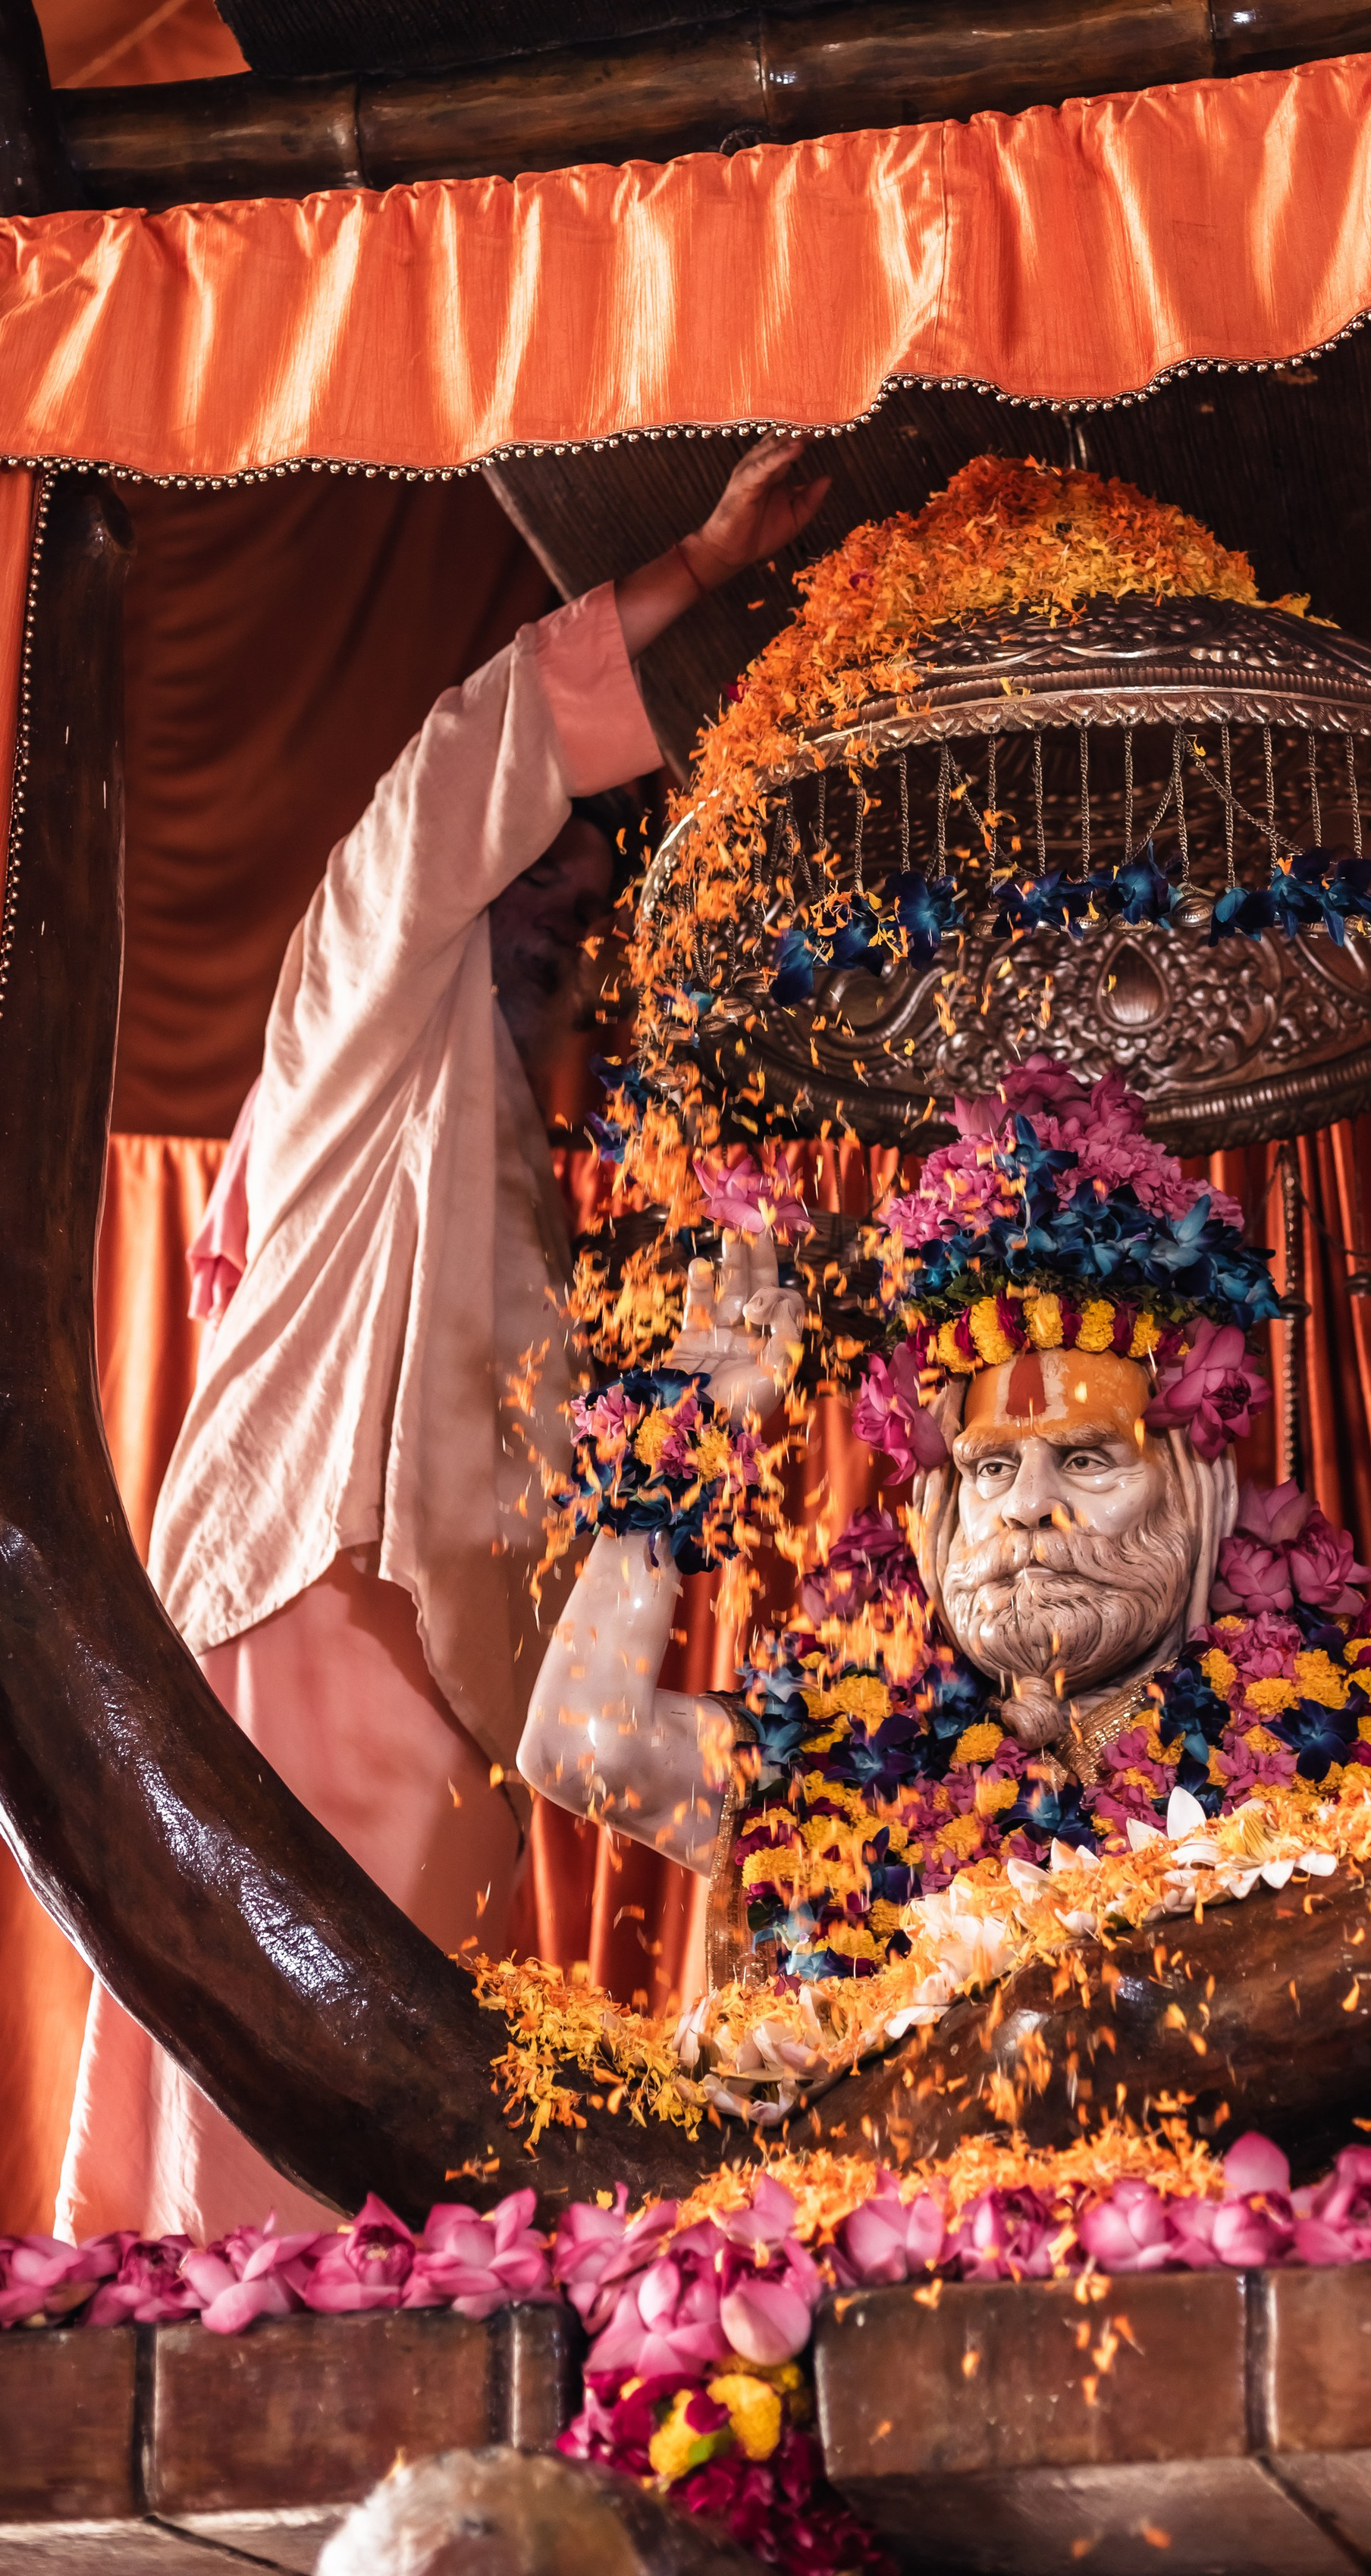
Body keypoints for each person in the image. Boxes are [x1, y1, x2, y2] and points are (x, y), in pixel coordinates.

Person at [58, 434, 829, 2242]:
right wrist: (700, 573)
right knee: (276, 2127)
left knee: (387, 2151)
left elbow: (569, 1617)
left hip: (444, 1679)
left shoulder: (518, 1144)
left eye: (589, 907)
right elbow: (456, 767)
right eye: (553, 879)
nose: (570, 924)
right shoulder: (364, 998)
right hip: (314, 1609)